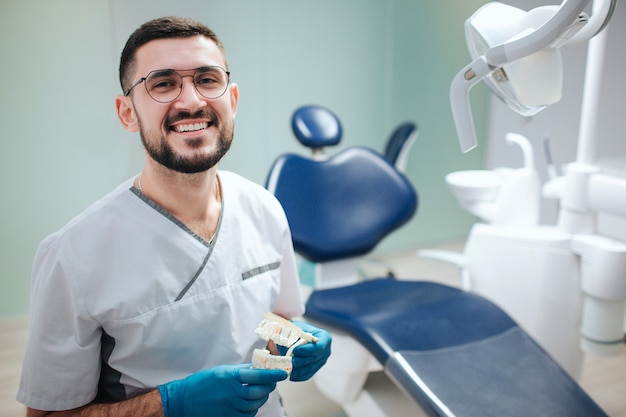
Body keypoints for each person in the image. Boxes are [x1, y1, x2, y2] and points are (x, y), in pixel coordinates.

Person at [17, 16, 331, 417]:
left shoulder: (264, 208)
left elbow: (278, 317)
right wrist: (170, 405)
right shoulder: (73, 254)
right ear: (127, 113)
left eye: (207, 79)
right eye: (163, 83)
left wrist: (295, 342)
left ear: (232, 100)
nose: (191, 101)